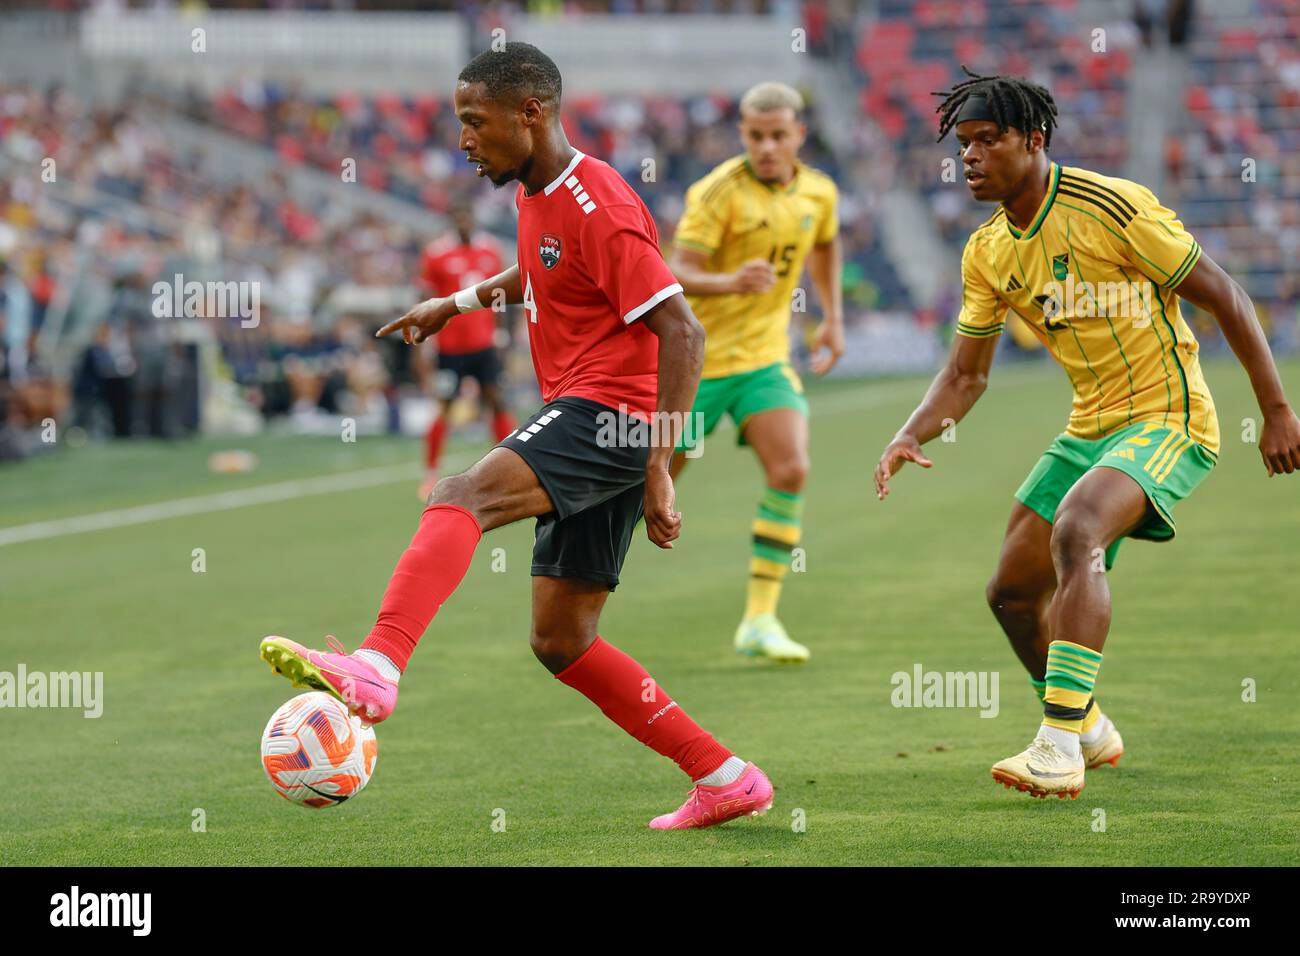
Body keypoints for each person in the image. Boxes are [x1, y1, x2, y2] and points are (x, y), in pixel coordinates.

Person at [260, 43, 773, 829]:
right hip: (609, 416)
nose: (463, 139)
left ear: (530, 113)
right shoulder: (540, 192)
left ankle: (377, 663)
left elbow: (684, 329)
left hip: (617, 415)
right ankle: (725, 775)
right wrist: (457, 302)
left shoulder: (598, 199)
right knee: (562, 638)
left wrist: (659, 464)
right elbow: (541, 268)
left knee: (461, 492)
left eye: (474, 121)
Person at [874, 69, 1300, 799]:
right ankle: (1092, 726)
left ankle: (1058, 744)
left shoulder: (1112, 206)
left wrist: (1277, 411)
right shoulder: (986, 252)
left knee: (1078, 531)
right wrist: (909, 433)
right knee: (1010, 594)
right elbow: (965, 375)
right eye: (962, 146)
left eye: (986, 141)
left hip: (1170, 417)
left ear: (1034, 140)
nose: (969, 159)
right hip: (1087, 428)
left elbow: (1225, 295)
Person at [668, 82, 844, 662]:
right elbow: (676, 270)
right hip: (694, 366)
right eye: (755, 135)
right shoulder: (718, 192)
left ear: (798, 134)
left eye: (778, 135)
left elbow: (824, 245)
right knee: (648, 485)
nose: (767, 146)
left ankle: (761, 619)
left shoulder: (819, 192)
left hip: (765, 360)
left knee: (791, 467)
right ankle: (575, 590)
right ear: (743, 134)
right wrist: (730, 281)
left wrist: (831, 319)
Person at [416, 203, 515, 500]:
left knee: (495, 402)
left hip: (484, 344)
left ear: (473, 219)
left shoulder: (490, 250)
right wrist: (425, 339)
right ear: (451, 221)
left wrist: (501, 333)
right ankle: (430, 473)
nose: (463, 223)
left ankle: (509, 468)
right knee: (444, 407)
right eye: (458, 218)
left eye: (467, 217)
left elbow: (500, 294)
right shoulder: (436, 254)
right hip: (450, 347)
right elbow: (426, 297)